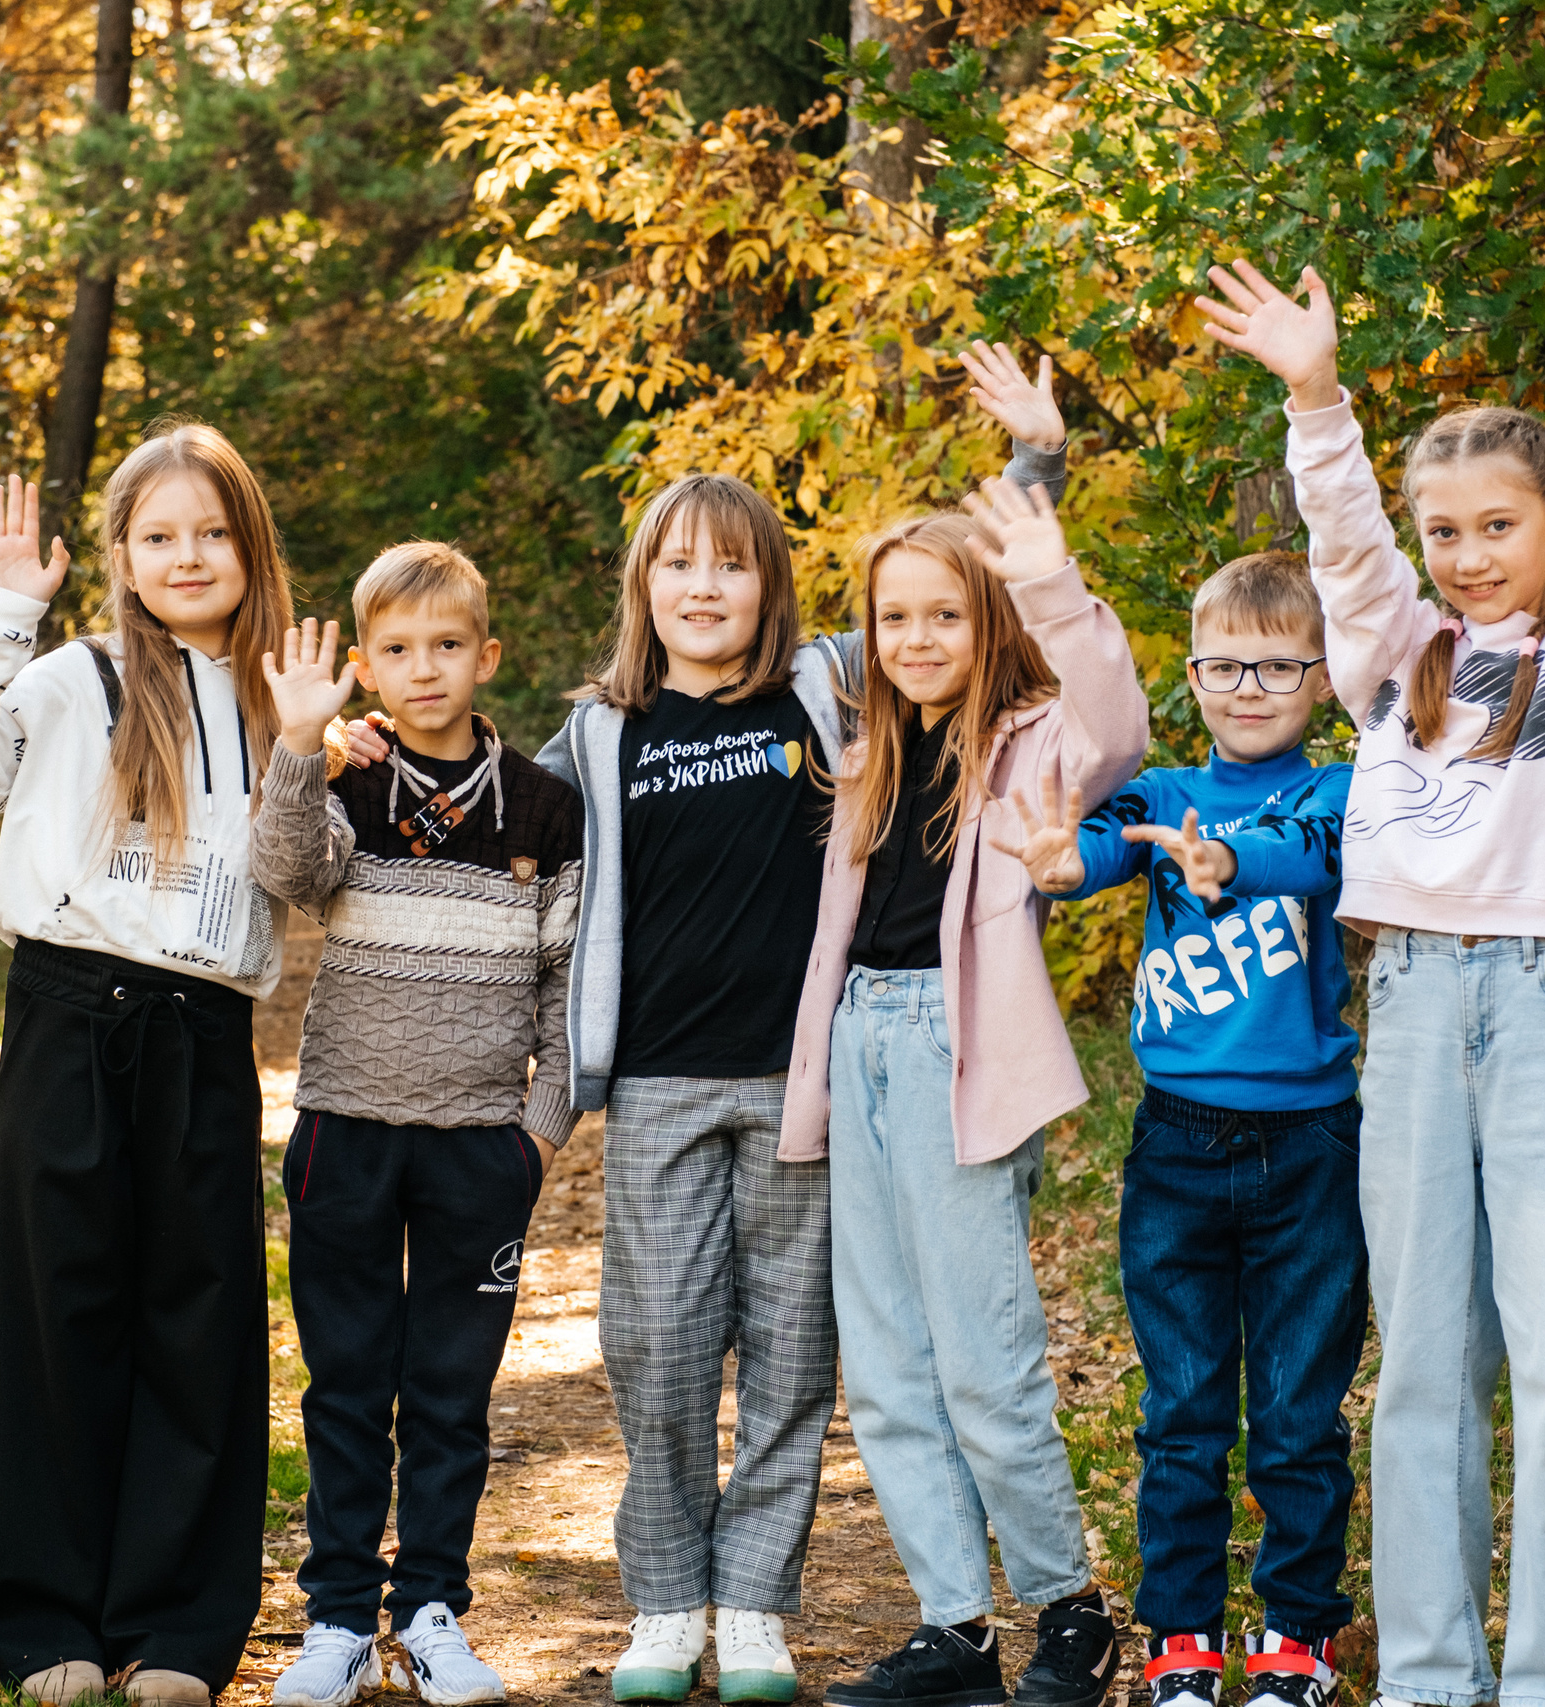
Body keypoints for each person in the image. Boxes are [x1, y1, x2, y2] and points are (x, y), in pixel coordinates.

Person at [1194, 213, 1545, 1707]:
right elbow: (1342, 543)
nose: (1469, 555)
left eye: (1498, 525)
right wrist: (1315, 396)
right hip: (1416, 1005)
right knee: (1425, 1366)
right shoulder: (1394, 655)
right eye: (1445, 532)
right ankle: (1432, 1675)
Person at [535, 344, 1069, 1706]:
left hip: (812, 1082)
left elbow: (966, 596)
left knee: (790, 1354)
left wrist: (1035, 460)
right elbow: (482, 808)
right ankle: (667, 1598)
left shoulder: (829, 690)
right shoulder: (597, 735)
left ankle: (757, 1603)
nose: (703, 588)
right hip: (659, 1082)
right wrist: (356, 751)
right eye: (677, 566)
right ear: (643, 588)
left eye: (732, 566)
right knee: (658, 1348)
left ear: (771, 587)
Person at [0, 421, 295, 1706]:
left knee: (198, 1322)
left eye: (212, 533)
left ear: (250, 547)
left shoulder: (283, 696)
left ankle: (179, 1628)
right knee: (55, 1316)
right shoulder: (73, 677)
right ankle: (48, 1622)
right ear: (121, 555)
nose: (188, 556)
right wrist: (3, 614)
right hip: (69, 1016)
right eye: (159, 535)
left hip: (203, 1034)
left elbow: (314, 867)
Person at [777, 472, 1149, 1707]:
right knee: (887, 1366)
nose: (917, 639)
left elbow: (1119, 725)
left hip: (959, 1050)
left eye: (945, 614)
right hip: (862, 1044)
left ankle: (1068, 1608)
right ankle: (956, 1626)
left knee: (985, 1362)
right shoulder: (868, 757)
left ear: (989, 622)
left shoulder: (1035, 741)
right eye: (894, 618)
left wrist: (1049, 577)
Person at [1000, 549, 1362, 1707]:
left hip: (1310, 1148)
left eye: (1277, 668)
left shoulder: (1338, 792)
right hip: (1177, 1150)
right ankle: (1182, 1646)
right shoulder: (1159, 795)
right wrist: (1062, 861)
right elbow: (1095, 852)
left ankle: (1296, 1642)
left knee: (1298, 1415)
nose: (1249, 689)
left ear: (1321, 679)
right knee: (1184, 1413)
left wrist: (1227, 859)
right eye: (1224, 667)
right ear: (1191, 676)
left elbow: (1308, 859)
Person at [247, 543, 586, 1707]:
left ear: (487, 656)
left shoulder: (542, 805)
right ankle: (339, 1620)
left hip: (480, 1146)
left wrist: (538, 1136)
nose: (424, 667)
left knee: (450, 1390)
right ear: (366, 663)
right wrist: (300, 748)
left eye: (447, 645)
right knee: (345, 1386)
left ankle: (431, 1610)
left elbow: (566, 984)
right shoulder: (348, 779)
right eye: (397, 649)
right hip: (345, 1131)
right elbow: (286, 874)